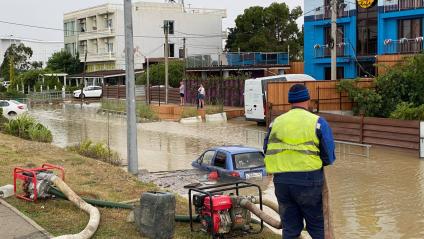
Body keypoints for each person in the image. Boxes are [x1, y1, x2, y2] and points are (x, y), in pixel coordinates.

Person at [263, 84, 336, 239]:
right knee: (318, 229)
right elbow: (328, 156)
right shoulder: (318, 122)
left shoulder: (275, 123)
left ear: (290, 101)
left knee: (290, 229)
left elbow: (266, 149)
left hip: (282, 182)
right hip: (309, 182)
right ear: (308, 100)